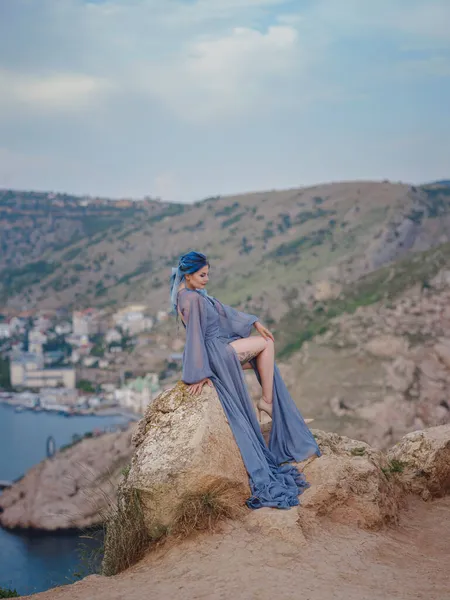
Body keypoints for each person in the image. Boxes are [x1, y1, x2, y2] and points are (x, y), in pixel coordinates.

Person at [170, 251, 321, 509]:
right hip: (217, 351)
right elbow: (194, 335)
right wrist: (198, 373)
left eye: (208, 274)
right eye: (202, 275)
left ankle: (268, 404)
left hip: (219, 347)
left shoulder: (191, 295)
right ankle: (267, 403)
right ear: (188, 274)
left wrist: (255, 322)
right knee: (266, 345)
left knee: (264, 350)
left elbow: (224, 312)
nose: (207, 279)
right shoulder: (192, 299)